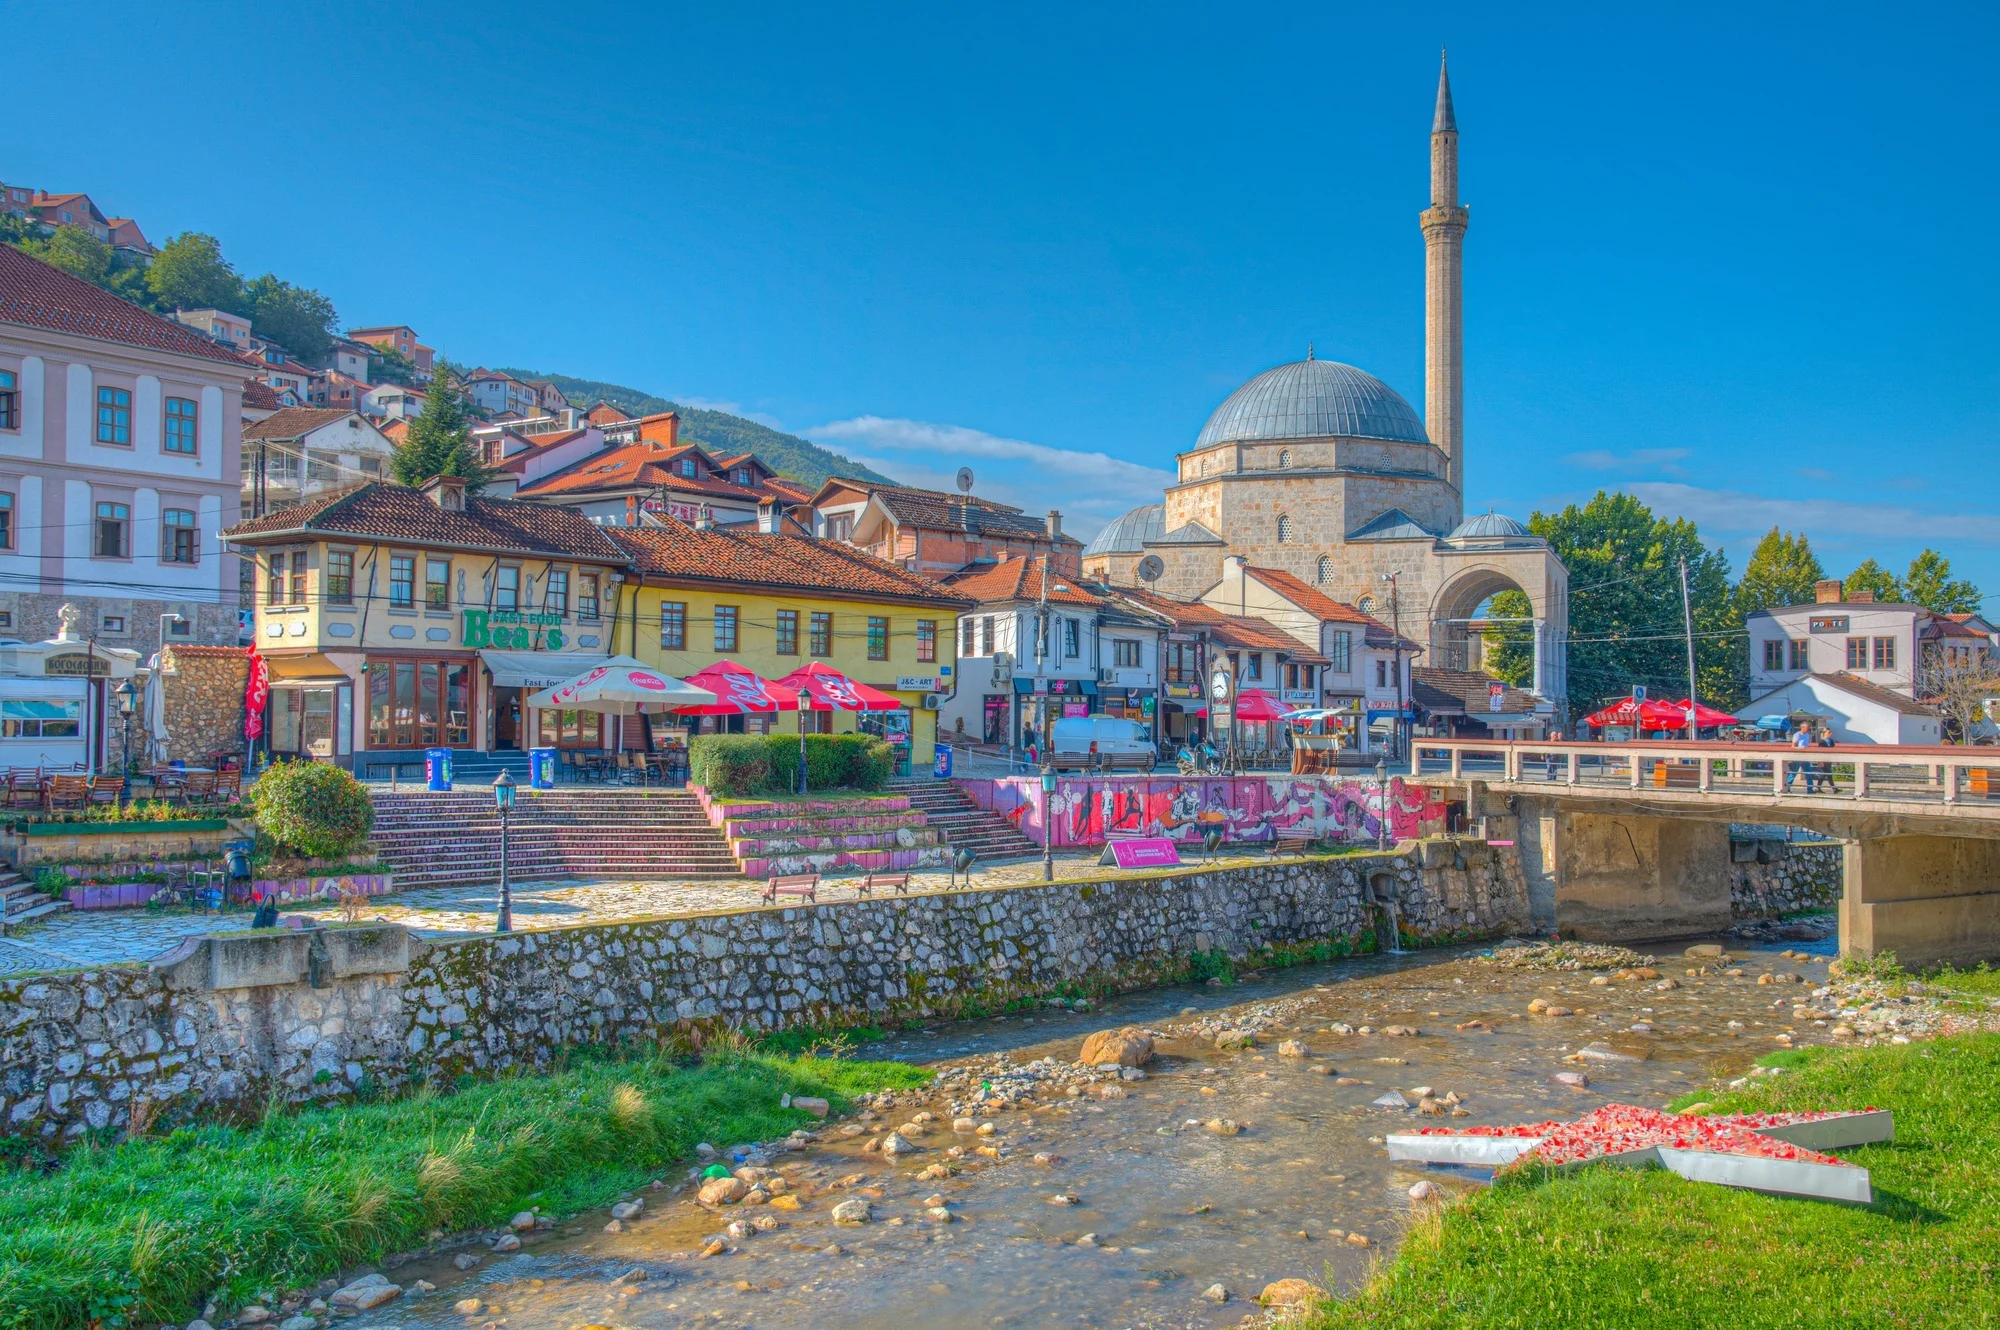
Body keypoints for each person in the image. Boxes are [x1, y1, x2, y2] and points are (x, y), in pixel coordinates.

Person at [1785, 722, 1815, 791]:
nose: (1808, 729)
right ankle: (1787, 787)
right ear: (1803, 727)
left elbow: (1807, 744)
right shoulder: (1797, 735)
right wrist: (1801, 749)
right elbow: (1793, 746)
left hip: (1805, 756)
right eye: (1807, 728)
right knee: (1794, 772)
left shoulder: (1808, 735)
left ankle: (1810, 789)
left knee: (1808, 772)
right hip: (1798, 756)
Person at [1816, 722, 1838, 793]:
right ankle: (1833, 788)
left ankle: (1819, 788)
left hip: (1829, 760)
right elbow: (1819, 752)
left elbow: (1833, 750)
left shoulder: (1831, 741)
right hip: (1823, 760)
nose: (1830, 734)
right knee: (1825, 774)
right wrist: (1820, 761)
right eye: (1829, 732)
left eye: (1830, 732)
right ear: (1824, 733)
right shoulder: (1821, 742)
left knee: (1827, 774)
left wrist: (1836, 760)